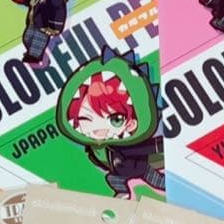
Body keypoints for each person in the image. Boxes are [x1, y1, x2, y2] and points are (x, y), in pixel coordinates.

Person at [56, 48, 165, 198]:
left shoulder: (128, 144)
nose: (97, 128)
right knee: (114, 179)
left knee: (156, 179)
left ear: (131, 124)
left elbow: (148, 148)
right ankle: (122, 193)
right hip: (118, 172)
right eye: (84, 119)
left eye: (116, 119)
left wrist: (161, 145)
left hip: (140, 167)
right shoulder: (96, 147)